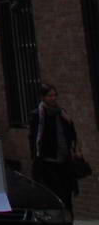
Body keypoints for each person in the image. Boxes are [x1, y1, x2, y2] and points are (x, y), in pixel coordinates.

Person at [29, 84, 79, 215]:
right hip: (48, 160)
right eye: (50, 96)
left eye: (54, 95)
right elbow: (34, 138)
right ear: (43, 97)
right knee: (56, 192)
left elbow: (71, 135)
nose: (53, 98)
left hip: (64, 159)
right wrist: (36, 156)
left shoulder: (62, 113)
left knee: (67, 192)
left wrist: (70, 122)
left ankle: (68, 218)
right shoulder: (38, 115)